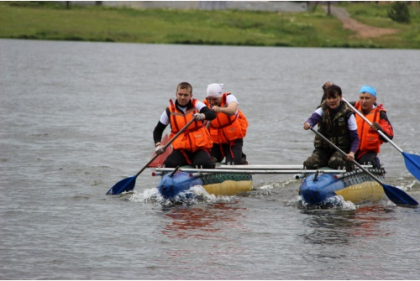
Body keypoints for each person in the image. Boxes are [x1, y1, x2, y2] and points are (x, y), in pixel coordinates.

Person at [153, 82, 216, 168]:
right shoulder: (169, 111)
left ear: (190, 96)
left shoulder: (197, 105)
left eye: (186, 95)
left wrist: (202, 115)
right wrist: (158, 144)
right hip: (181, 150)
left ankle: (208, 161)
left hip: (199, 148)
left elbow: (212, 114)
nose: (182, 97)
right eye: (180, 94)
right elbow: (158, 130)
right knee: (168, 164)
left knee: (203, 163)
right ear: (176, 94)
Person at [303, 84, 359, 171]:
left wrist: (352, 153)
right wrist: (308, 123)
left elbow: (355, 138)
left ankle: (349, 166)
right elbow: (313, 119)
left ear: (340, 97)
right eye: (329, 98)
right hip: (323, 150)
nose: (331, 101)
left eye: (334, 98)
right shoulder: (321, 110)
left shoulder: (348, 114)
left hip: (341, 150)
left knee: (334, 162)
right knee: (309, 163)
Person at [203, 83, 248, 165]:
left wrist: (219, 109)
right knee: (208, 162)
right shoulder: (205, 104)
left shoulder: (229, 98)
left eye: (215, 99)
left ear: (221, 96)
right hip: (216, 141)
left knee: (232, 163)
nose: (212, 102)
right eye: (209, 99)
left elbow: (232, 110)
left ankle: (240, 158)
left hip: (233, 139)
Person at [353, 85, 394, 168]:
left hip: (367, 152)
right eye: (361, 98)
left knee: (366, 161)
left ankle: (376, 166)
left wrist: (379, 129)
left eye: (367, 98)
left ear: (374, 99)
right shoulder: (352, 108)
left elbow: (389, 136)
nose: (364, 101)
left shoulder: (380, 114)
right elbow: (333, 103)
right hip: (352, 150)